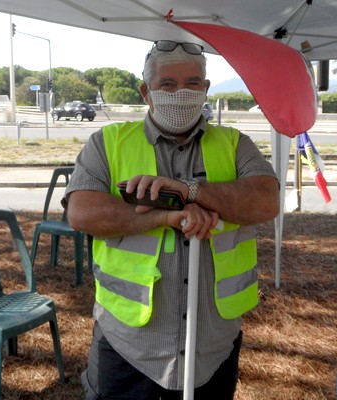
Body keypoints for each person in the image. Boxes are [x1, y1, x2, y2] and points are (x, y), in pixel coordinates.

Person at [65, 40, 279, 399]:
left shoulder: (234, 143)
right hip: (129, 345)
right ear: (146, 91)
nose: (181, 93)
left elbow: (265, 201)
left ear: (206, 89)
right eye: (167, 84)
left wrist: (187, 190)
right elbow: (82, 212)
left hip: (212, 345)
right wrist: (167, 216)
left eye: (193, 83)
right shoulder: (108, 142)